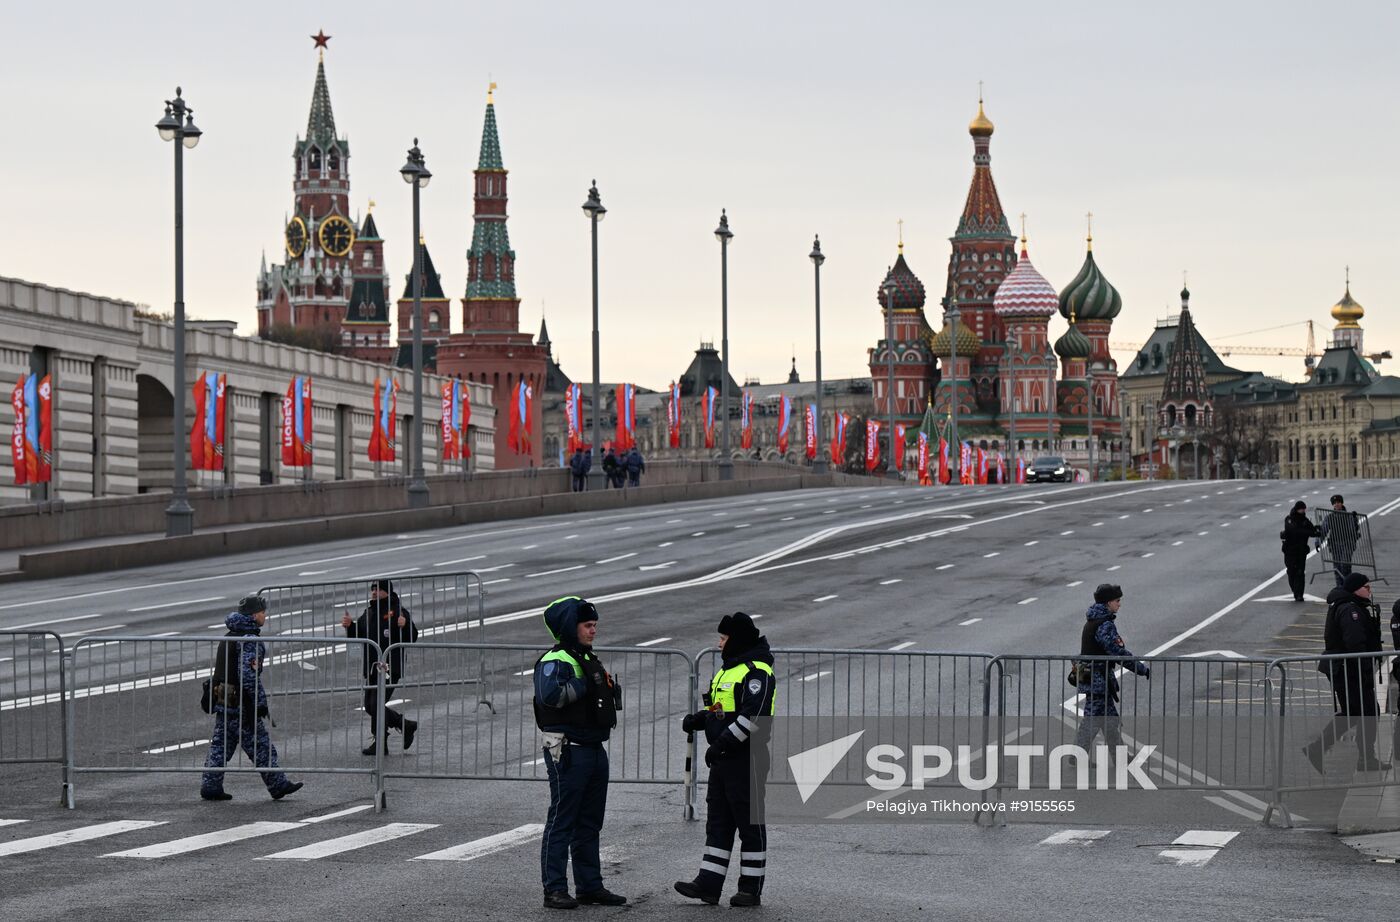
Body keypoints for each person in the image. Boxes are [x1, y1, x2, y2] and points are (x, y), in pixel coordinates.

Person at [676, 611, 776, 908]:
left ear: (738, 640)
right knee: (718, 823)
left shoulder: (757, 672)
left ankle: (750, 889)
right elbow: (722, 708)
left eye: (723, 638)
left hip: (747, 757)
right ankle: (708, 884)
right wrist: (701, 719)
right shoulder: (728, 670)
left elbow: (752, 717)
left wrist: (720, 744)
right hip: (724, 758)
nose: (719, 645)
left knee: (749, 824)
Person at [533, 596, 626, 910]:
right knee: (562, 820)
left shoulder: (586, 656)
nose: (593, 630)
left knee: (590, 822)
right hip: (568, 748)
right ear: (571, 626)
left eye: (595, 625)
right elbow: (551, 696)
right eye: (588, 625)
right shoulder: (557, 659)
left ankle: (589, 886)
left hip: (593, 746)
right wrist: (587, 682)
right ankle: (555, 889)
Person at [200, 596, 304, 801]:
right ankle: (278, 784)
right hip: (242, 704)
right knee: (260, 745)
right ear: (254, 614)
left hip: (225, 700)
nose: (265, 615)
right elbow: (248, 676)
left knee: (221, 746)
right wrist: (259, 703)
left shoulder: (230, 634)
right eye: (263, 612)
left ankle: (210, 785)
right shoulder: (249, 640)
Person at [1302, 572, 1389, 773]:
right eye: (1366, 587)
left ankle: (1319, 749)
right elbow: (1355, 643)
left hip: (1347, 669)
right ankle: (1365, 759)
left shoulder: (1349, 605)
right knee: (1367, 712)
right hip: (1350, 670)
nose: (1370, 590)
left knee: (1354, 713)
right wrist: (1366, 665)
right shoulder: (1350, 610)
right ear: (1355, 589)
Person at [342, 579, 419, 755]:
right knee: (370, 705)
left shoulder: (397, 611)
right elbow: (359, 634)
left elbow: (412, 636)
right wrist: (350, 626)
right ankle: (399, 728)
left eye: (379, 589)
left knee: (375, 704)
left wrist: (405, 625)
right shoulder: (369, 612)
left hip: (390, 667)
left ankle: (392, 734)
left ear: (387, 592)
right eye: (373, 590)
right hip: (372, 667)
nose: (375, 592)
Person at [1073, 584, 1150, 759]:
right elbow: (1118, 653)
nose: (1119, 604)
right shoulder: (1104, 625)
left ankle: (1117, 757)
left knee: (1108, 721)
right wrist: (1140, 669)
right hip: (1097, 681)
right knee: (1094, 720)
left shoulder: (1092, 620)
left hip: (1092, 678)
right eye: (1117, 600)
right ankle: (1078, 755)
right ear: (1108, 602)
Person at [1280, 500, 1321, 602]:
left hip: (1301, 550)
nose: (1302, 511)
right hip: (1289, 550)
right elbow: (1292, 530)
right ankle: (1295, 590)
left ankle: (1299, 594)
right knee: (1291, 571)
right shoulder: (1289, 519)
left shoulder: (1305, 521)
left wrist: (1317, 530)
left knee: (1300, 572)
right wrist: (1305, 532)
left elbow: (1312, 531)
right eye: (1301, 509)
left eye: (1304, 509)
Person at [1319, 494, 1360, 588]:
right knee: (1337, 568)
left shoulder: (1349, 516)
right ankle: (1340, 588)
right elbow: (1324, 530)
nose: (1336, 504)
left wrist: (1354, 519)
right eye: (1334, 503)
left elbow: (1354, 529)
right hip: (1335, 545)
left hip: (1347, 543)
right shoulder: (1330, 517)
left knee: (1345, 566)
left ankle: (1348, 587)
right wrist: (1319, 541)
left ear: (1342, 503)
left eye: (1338, 502)